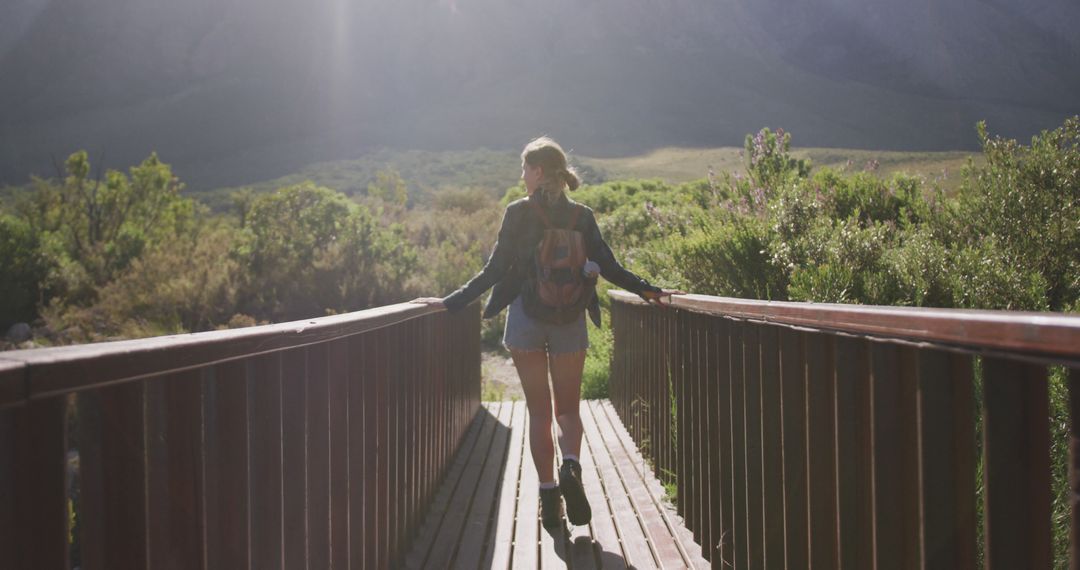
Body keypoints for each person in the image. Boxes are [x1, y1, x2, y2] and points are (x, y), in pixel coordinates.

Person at [413, 136, 681, 531]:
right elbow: (609, 266)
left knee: (539, 413)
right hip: (569, 318)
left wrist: (450, 302)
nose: (521, 175)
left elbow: (493, 271)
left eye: (524, 168)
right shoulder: (583, 216)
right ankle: (570, 464)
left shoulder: (517, 213)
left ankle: (549, 496)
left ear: (537, 171)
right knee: (568, 411)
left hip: (526, 318)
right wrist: (648, 289)